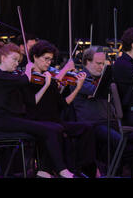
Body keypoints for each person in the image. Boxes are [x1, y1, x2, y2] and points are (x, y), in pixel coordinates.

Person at [0, 41, 76, 178]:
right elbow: (25, 80)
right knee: (50, 129)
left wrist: (46, 85)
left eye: (19, 61)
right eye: (14, 60)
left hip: (17, 119)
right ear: (3, 58)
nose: (17, 63)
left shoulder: (13, 76)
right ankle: (61, 170)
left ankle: (45, 170)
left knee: (56, 127)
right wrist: (29, 68)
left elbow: (32, 101)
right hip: (6, 122)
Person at [71, 46, 133, 177]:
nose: (101, 67)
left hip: (112, 122)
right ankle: (113, 171)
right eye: (98, 63)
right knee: (119, 142)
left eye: (104, 63)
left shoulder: (104, 79)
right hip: (94, 124)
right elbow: (95, 91)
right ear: (87, 62)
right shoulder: (79, 78)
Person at [25, 40, 97, 178]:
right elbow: (31, 104)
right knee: (55, 130)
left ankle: (79, 167)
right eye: (46, 59)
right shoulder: (29, 78)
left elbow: (63, 103)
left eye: (50, 60)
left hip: (55, 120)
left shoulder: (49, 78)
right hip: (39, 121)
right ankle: (59, 170)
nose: (48, 63)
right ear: (34, 57)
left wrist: (78, 88)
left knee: (87, 128)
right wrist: (63, 72)